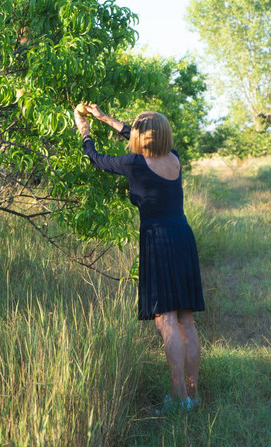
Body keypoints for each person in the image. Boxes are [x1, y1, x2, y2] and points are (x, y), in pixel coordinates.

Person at [74, 104, 205, 413]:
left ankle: (177, 398)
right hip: (183, 236)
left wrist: (85, 130)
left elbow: (96, 159)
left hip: (157, 239)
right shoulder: (174, 159)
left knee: (166, 318)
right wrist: (105, 118)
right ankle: (192, 396)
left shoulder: (135, 163)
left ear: (141, 137)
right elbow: (138, 137)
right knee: (186, 318)